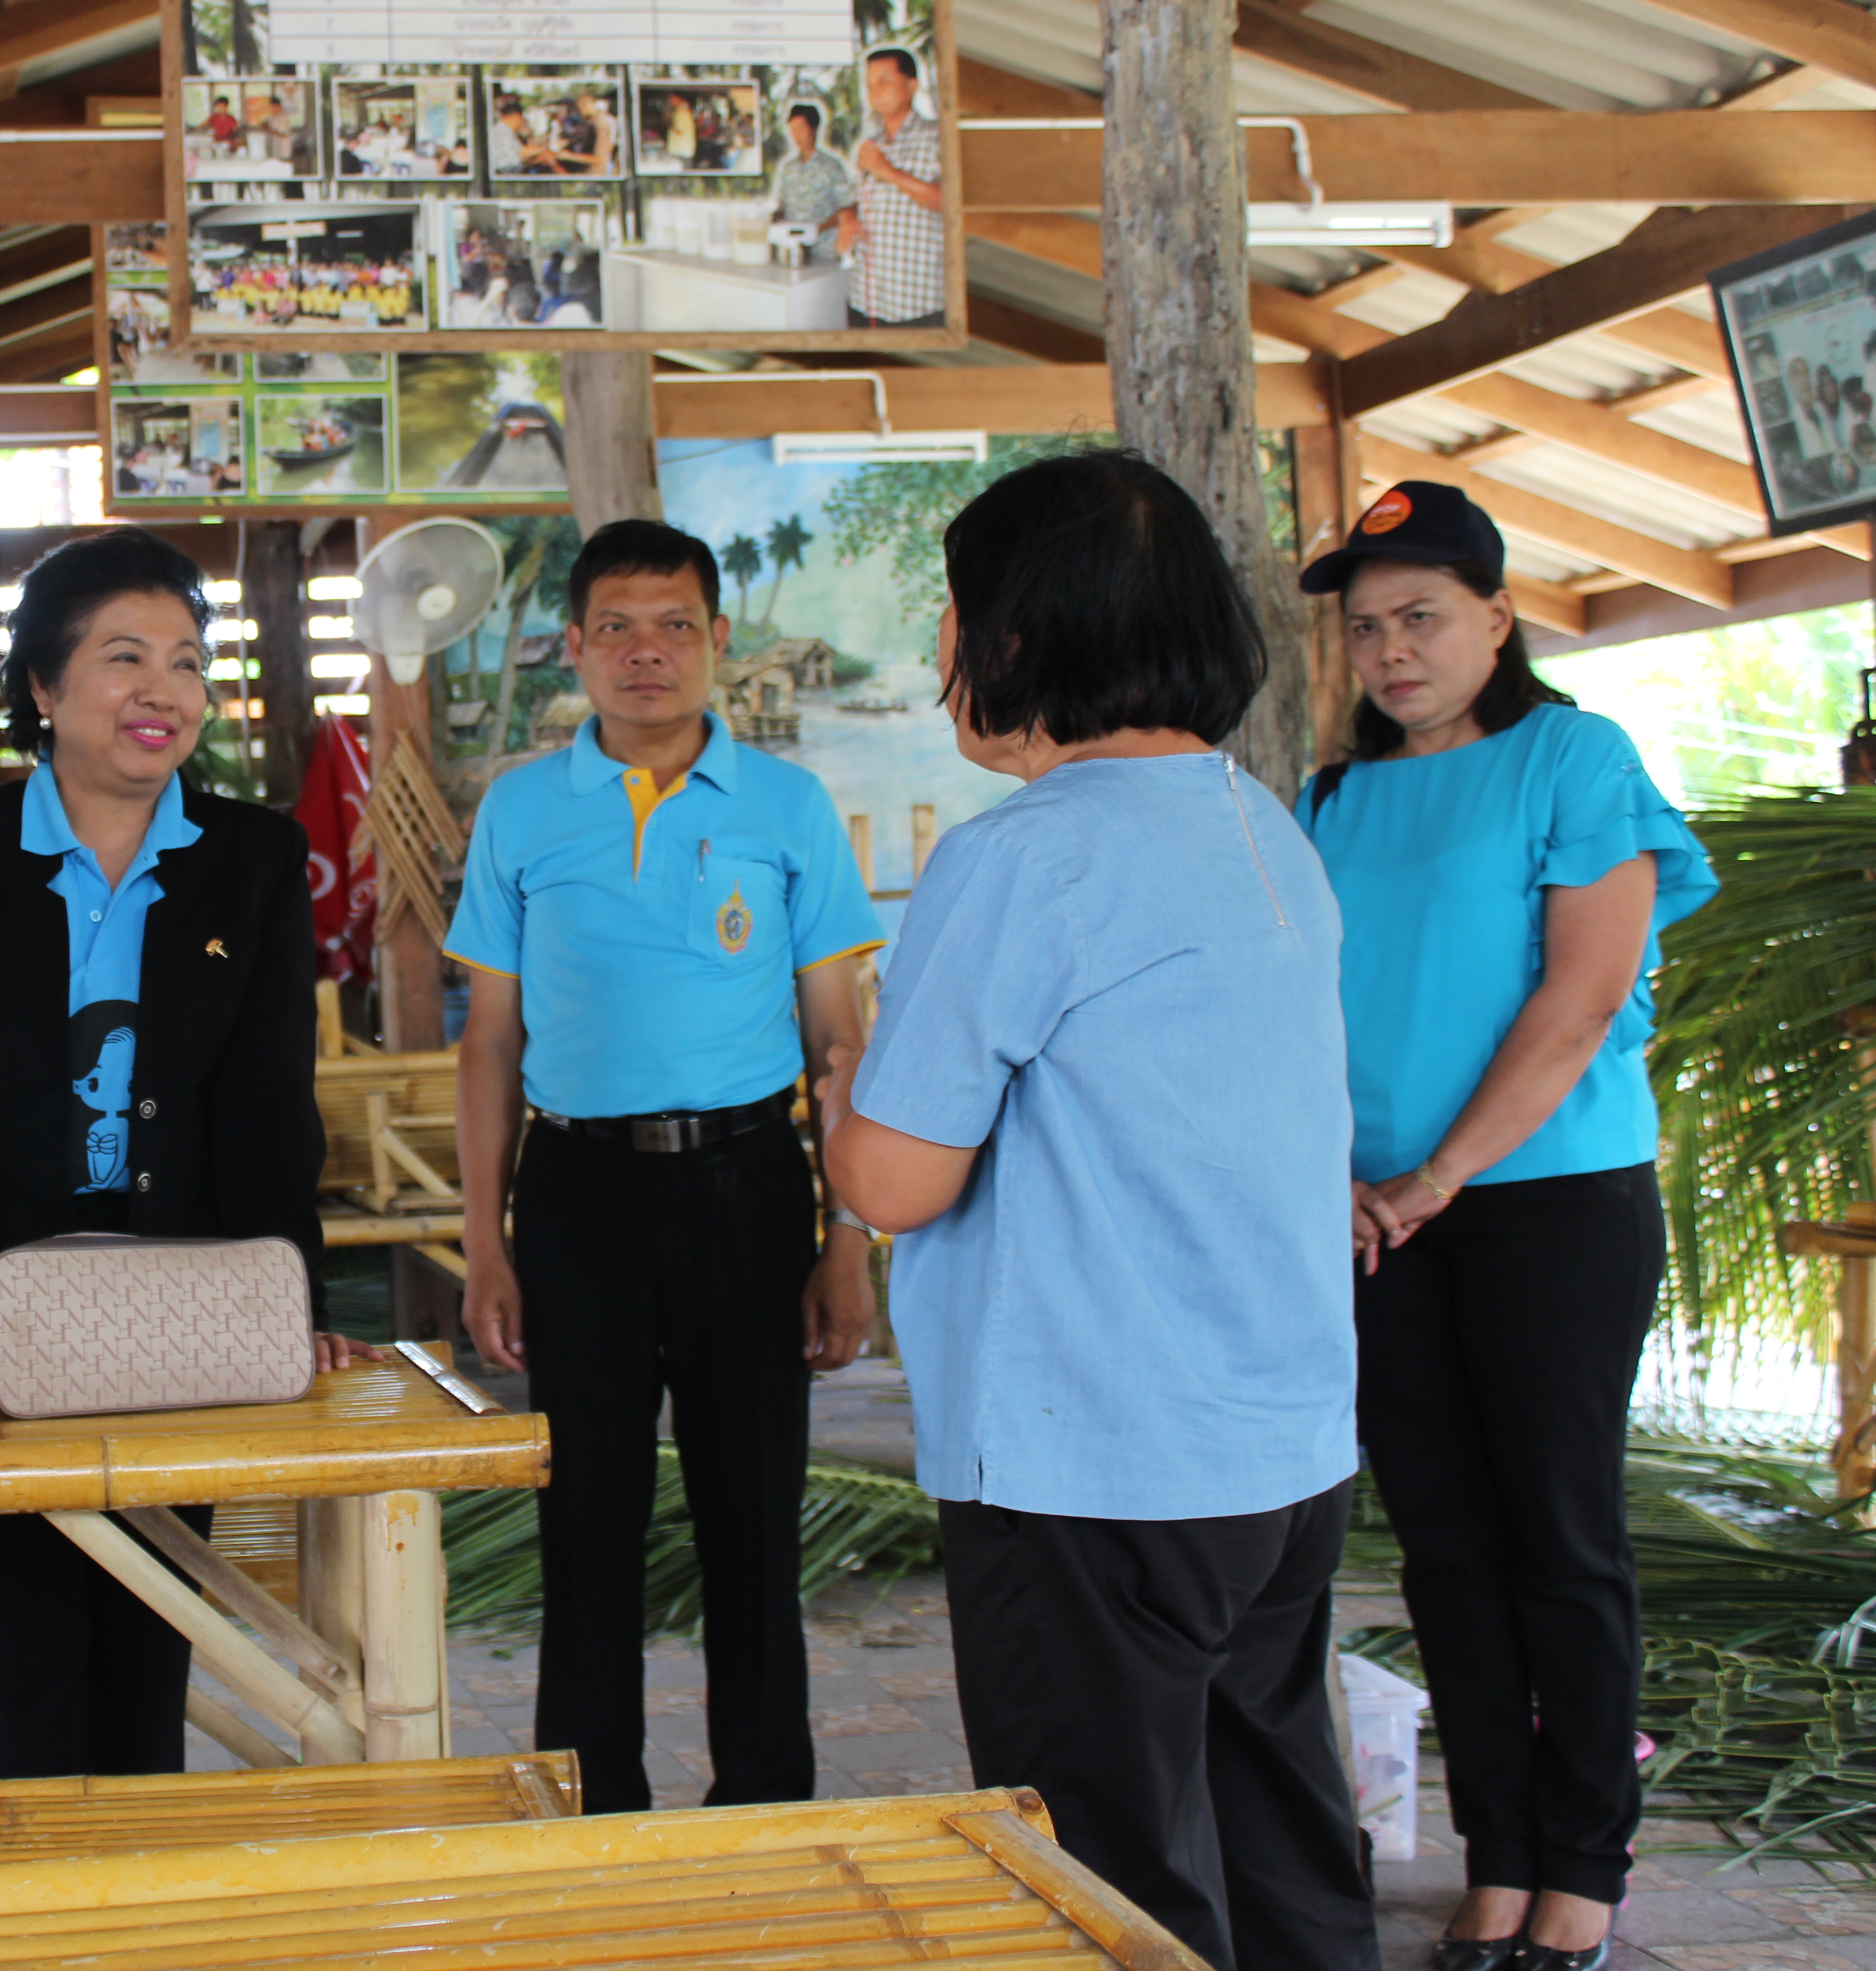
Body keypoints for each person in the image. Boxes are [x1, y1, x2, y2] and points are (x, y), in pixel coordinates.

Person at [820, 452, 1376, 1971]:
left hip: (1092, 1461)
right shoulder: (1260, 827)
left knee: (1107, 1875)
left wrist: (838, 1093)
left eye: (952, 612)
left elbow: (891, 1177)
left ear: (1011, 635)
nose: (942, 648)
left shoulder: (1018, 857)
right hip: (1276, 1449)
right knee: (1274, 1831)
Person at [0, 526, 371, 1780]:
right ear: (42, 686)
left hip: (177, 1307)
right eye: (124, 658)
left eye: (187, 663)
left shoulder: (251, 861)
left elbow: (267, 1110)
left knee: (150, 1651)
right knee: (10, 1660)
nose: (164, 692)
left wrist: (287, 1298)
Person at [1294, 482, 1717, 1971]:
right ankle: (1497, 1855)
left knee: (1559, 1535)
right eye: (1362, 626)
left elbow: (1580, 995)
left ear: (1495, 617)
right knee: (1443, 1548)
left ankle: (1583, 1867)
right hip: (1378, 1221)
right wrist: (1341, 1179)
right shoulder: (1328, 799)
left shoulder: (1572, 755)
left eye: (1419, 615)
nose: (1389, 649)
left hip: (1550, 1206)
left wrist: (1433, 1173)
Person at [450, 519, 883, 1817]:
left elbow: (841, 1044)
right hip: (575, 1194)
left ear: (719, 642)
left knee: (752, 1520)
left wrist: (849, 1241)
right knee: (586, 1518)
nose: (650, 654)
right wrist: (486, 1242)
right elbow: (489, 1042)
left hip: (748, 1188)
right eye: (620, 628)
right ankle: (596, 1807)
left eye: (677, 625)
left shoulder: (786, 805)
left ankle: (761, 1806)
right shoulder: (524, 808)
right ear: (572, 649)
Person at [837, 47, 944, 328]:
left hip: (916, 305)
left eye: (884, 81)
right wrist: (848, 219)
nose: (875, 92)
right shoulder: (870, 143)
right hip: (865, 299)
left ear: (912, 85)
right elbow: (852, 200)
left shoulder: (937, 137)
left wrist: (889, 172)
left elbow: (949, 203)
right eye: (869, 84)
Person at [774, 102, 854, 237]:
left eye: (801, 129)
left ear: (814, 129)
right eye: (793, 130)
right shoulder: (788, 168)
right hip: (793, 247)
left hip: (824, 249)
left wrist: (817, 230)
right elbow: (782, 206)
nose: (796, 135)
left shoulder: (832, 166)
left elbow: (848, 208)